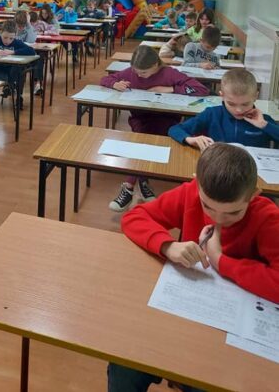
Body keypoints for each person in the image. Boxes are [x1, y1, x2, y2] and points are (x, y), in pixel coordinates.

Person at [107, 143, 279, 391]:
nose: (219, 219)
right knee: (124, 364)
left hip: (230, 330)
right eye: (208, 207)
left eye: (233, 213)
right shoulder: (190, 193)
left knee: (205, 382)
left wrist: (220, 261)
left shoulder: (267, 216)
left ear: (254, 195)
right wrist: (167, 245)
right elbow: (134, 217)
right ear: (197, 183)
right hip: (185, 309)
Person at [100, 46, 209, 212]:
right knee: (145, 135)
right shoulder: (131, 72)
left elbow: (202, 90)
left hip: (166, 120)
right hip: (140, 118)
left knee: (144, 138)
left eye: (143, 72)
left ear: (155, 65)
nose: (138, 75)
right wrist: (115, 84)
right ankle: (143, 181)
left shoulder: (169, 73)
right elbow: (104, 79)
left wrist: (171, 89)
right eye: (136, 71)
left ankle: (129, 186)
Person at [169, 68, 279, 150]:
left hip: (252, 171)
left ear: (255, 96)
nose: (239, 110)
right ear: (222, 96)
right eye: (231, 104)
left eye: (245, 104)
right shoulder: (212, 114)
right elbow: (175, 129)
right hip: (219, 167)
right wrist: (190, 139)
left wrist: (265, 125)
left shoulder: (264, 120)